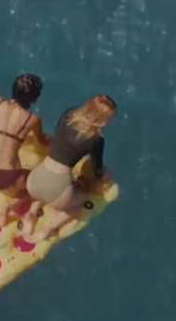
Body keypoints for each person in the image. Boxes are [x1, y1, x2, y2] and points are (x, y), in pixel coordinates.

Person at [21, 95, 116, 243]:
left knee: (44, 194)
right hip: (58, 189)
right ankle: (49, 229)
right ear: (102, 119)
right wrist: (104, 177)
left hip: (35, 179)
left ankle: (32, 213)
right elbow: (96, 167)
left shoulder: (68, 114)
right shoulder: (96, 139)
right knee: (81, 204)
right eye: (109, 117)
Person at [0, 74, 49, 227]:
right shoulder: (32, 119)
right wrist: (49, 140)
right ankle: (7, 210)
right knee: (33, 186)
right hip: (10, 178)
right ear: (34, 98)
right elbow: (42, 141)